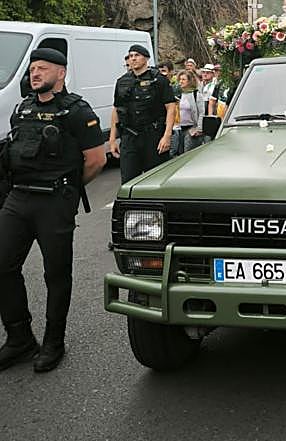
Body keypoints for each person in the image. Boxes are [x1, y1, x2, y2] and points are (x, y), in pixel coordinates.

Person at [0, 48, 106, 373]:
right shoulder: (23, 109)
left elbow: (96, 160)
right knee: (2, 266)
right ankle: (20, 338)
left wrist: (68, 190)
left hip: (54, 200)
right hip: (19, 198)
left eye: (42, 68)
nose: (34, 74)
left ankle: (53, 342)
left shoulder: (77, 111)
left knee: (56, 275)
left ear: (60, 73)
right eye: (32, 69)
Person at [109, 44, 176, 184]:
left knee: (155, 180)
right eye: (130, 56)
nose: (133, 59)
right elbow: (116, 109)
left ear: (146, 58)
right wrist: (112, 139)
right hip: (129, 137)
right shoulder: (122, 82)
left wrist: (167, 136)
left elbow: (171, 107)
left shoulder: (159, 80)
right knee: (128, 181)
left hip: (153, 136)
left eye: (136, 55)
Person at [174, 71, 206, 154]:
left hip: (191, 129)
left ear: (189, 81)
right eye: (180, 79)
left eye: (183, 79)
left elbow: (201, 112)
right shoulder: (179, 94)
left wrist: (199, 129)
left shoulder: (196, 95)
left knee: (188, 154)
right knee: (179, 154)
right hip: (179, 129)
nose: (181, 81)